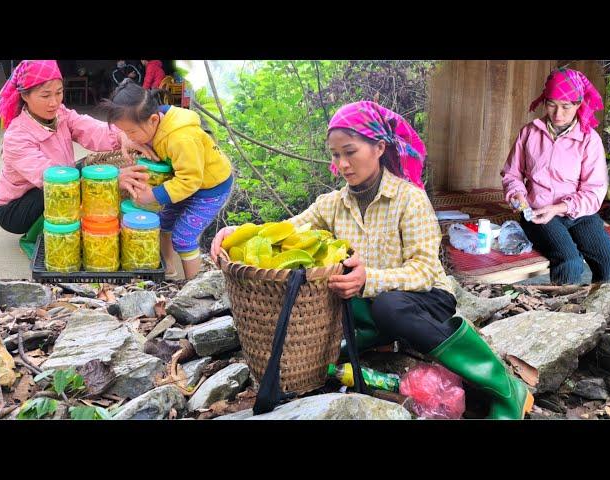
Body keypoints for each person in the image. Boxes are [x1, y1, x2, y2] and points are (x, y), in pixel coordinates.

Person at [211, 101, 533, 419]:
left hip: (425, 298)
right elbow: (286, 229)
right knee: (326, 295)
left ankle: (503, 387)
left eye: (350, 152)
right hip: (368, 301)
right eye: (336, 155)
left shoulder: (409, 199)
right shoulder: (332, 204)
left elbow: (423, 270)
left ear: (379, 147)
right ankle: (374, 341)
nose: (343, 164)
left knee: (389, 306)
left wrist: (369, 279)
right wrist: (238, 232)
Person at [0, 60, 155, 257]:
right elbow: (51, 180)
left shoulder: (60, 114)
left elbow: (89, 128)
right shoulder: (17, 136)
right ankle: (37, 235)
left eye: (59, 92)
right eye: (45, 95)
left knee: (90, 168)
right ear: (24, 95)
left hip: (57, 180)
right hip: (16, 208)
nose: (54, 102)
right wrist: (110, 181)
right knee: (70, 184)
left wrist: (123, 136)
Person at [98, 79, 233, 280]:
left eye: (132, 132)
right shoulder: (155, 119)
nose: (130, 137)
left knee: (183, 237)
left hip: (209, 189)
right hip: (184, 183)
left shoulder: (181, 138)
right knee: (161, 222)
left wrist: (153, 194)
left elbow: (190, 181)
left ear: (153, 120)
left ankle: (194, 287)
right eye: (125, 132)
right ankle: (169, 270)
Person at [501, 67, 610, 285]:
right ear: (544, 101)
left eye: (566, 107)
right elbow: (512, 173)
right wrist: (517, 194)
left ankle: (600, 316)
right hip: (538, 212)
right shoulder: (529, 132)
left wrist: (559, 208)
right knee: (569, 262)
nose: (558, 114)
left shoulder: (589, 140)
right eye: (551, 105)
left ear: (578, 104)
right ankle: (561, 316)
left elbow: (594, 192)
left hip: (579, 214)